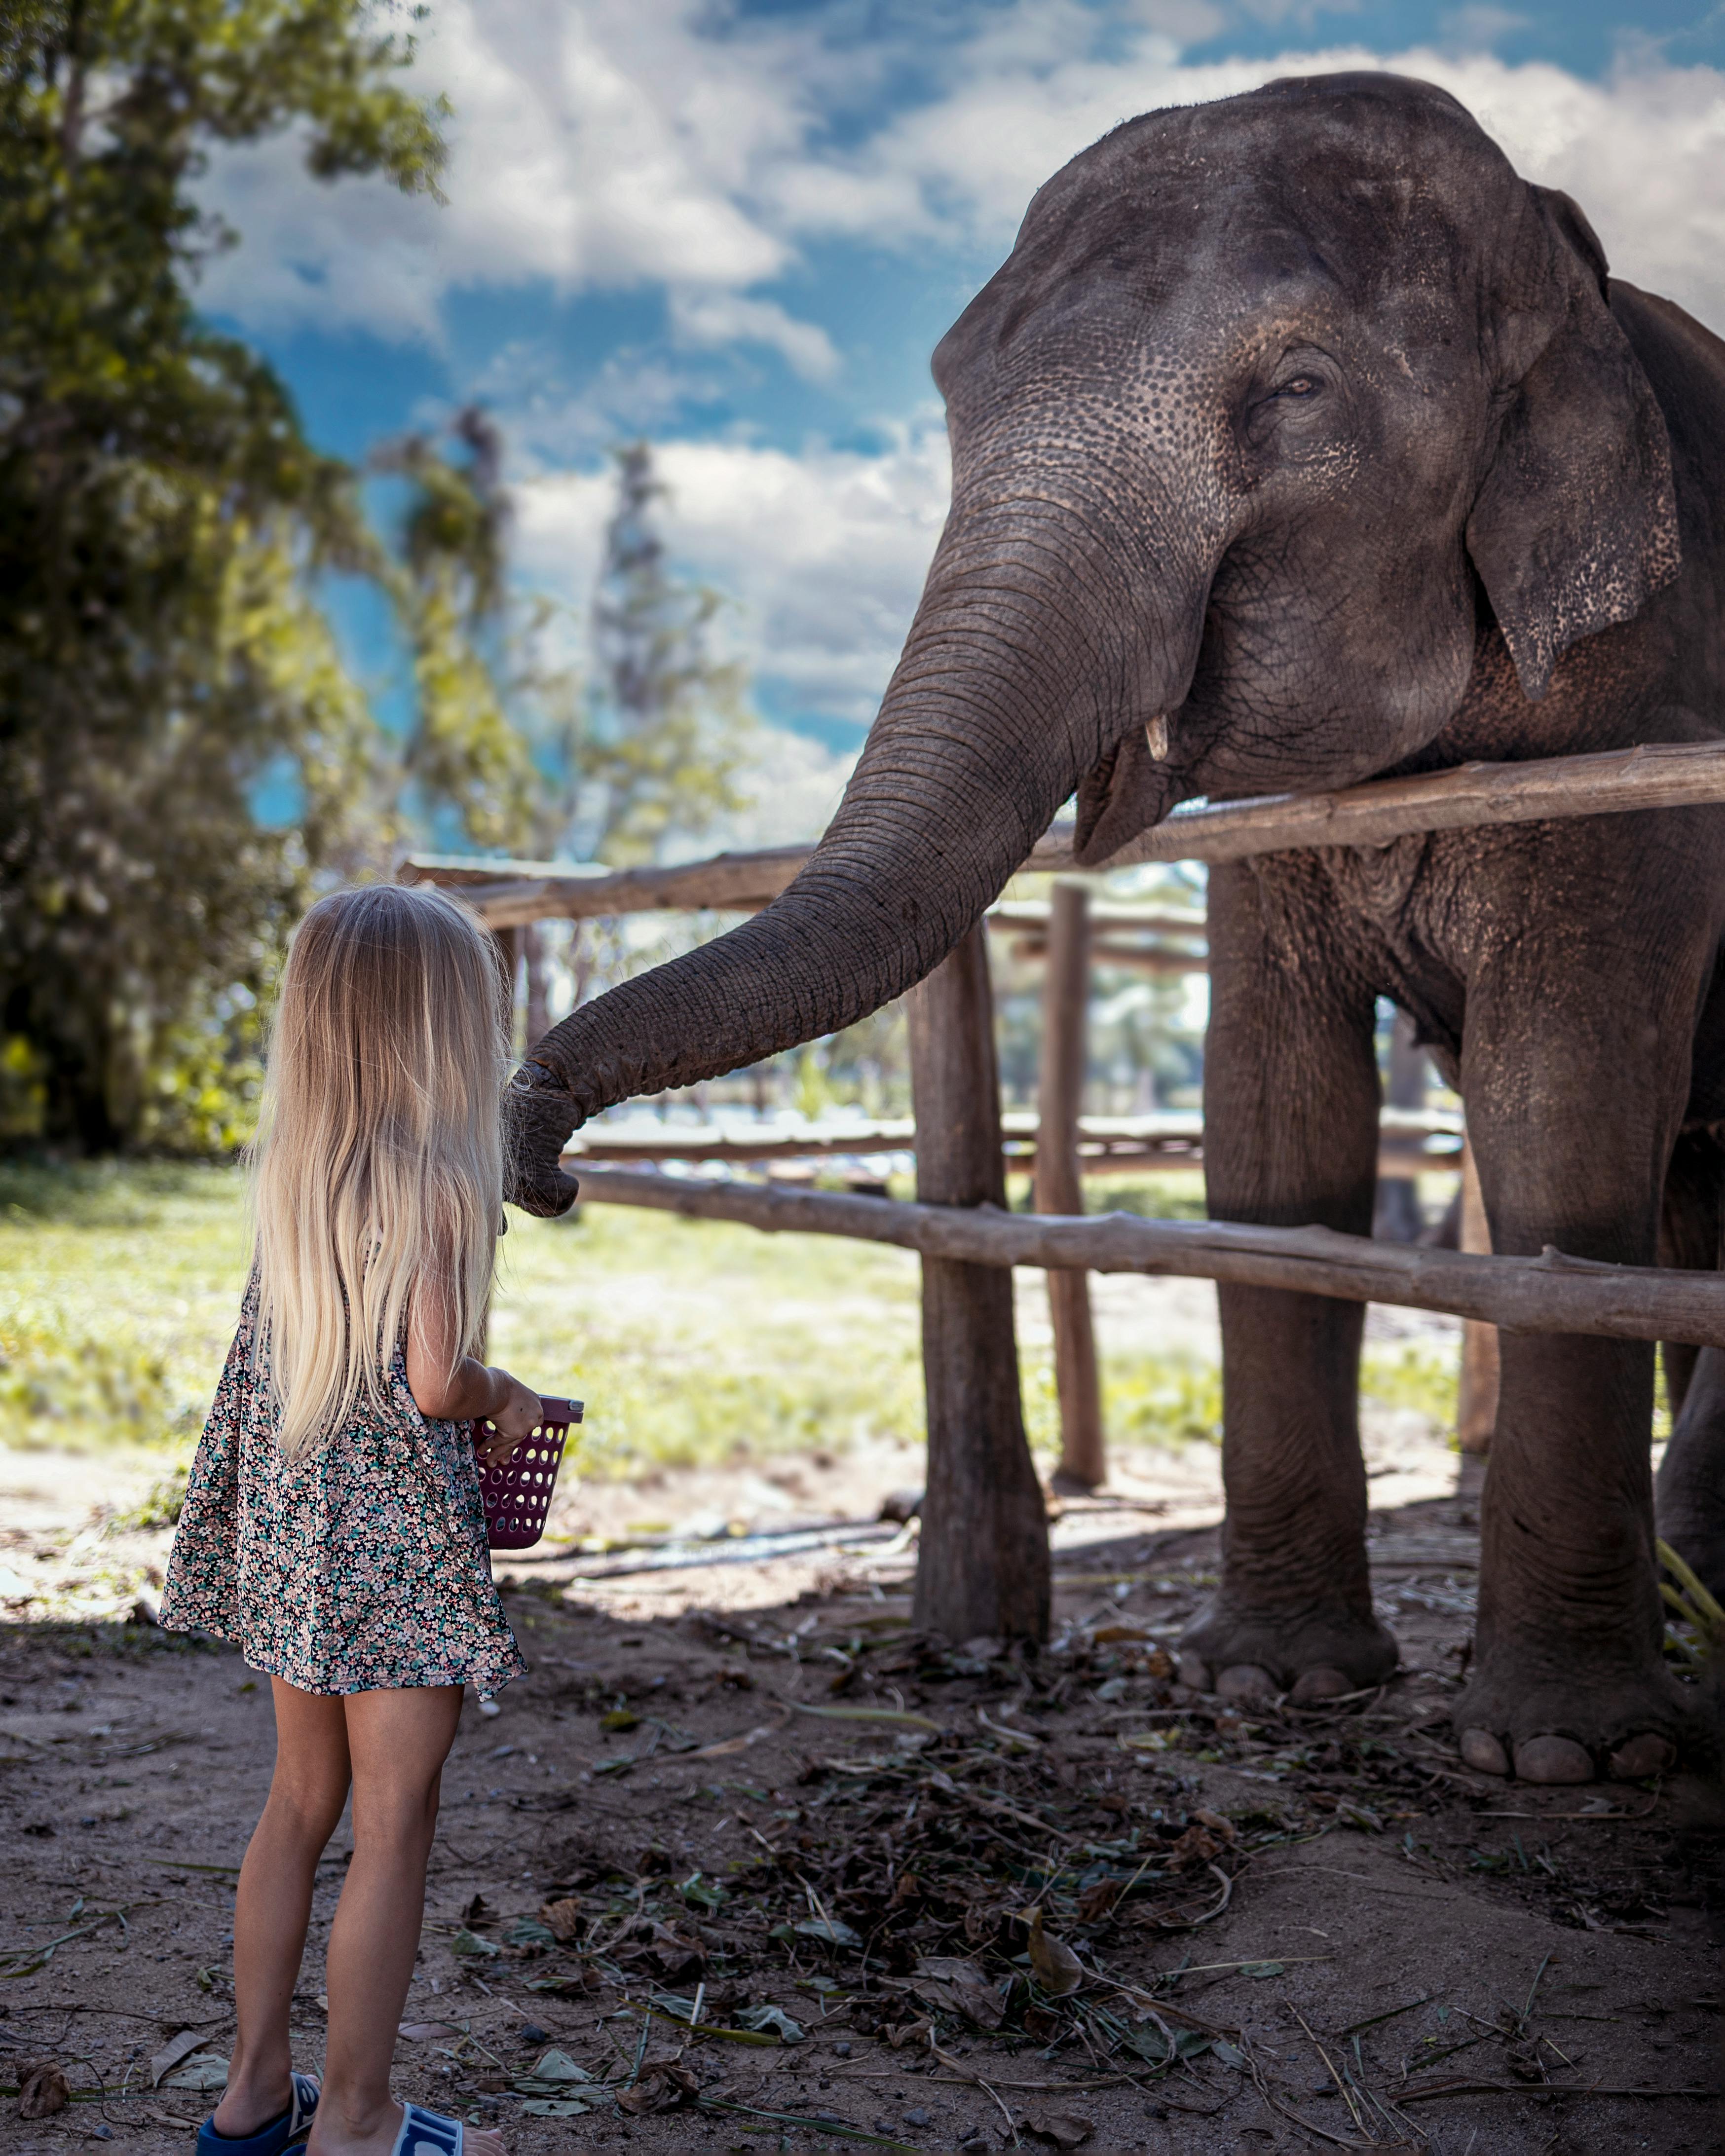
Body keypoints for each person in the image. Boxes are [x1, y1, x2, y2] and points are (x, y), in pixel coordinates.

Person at [161, 884, 548, 2156]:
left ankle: (254, 2099)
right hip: (390, 1555)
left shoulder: (293, 1185)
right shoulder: (435, 1186)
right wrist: (508, 1398)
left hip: (296, 1548)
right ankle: (363, 2125)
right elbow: (438, 1384)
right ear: (446, 1038)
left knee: (297, 1803)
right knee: (394, 1829)